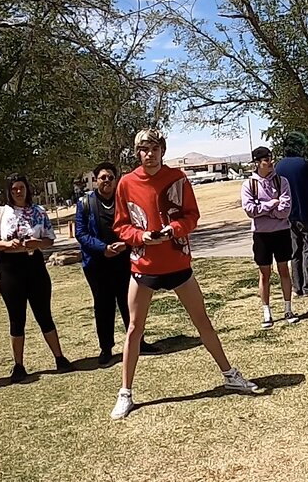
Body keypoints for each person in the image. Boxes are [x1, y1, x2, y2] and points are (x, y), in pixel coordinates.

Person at [110, 129, 262, 420]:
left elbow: (191, 216)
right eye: (144, 149)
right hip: (143, 267)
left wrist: (173, 230)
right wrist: (142, 237)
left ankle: (230, 375)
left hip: (178, 263)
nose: (150, 154)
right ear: (137, 153)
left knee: (202, 320)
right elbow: (121, 226)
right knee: (134, 329)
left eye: (154, 148)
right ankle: (125, 393)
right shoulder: (126, 183)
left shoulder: (177, 178)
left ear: (162, 150)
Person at [0, 173, 71, 383]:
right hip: (10, 269)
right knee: (17, 318)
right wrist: (7, 245)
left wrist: (37, 243)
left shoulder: (39, 212)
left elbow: (50, 240)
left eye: (21, 187)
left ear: (27, 189)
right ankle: (19, 365)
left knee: (44, 314)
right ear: (9, 191)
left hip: (34, 266)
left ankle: (60, 358)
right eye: (14, 189)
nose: (18, 192)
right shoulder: (1, 213)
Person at [76, 162, 158, 366]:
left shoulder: (124, 200)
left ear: (116, 180)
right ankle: (106, 348)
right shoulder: (85, 203)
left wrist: (127, 243)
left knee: (129, 303)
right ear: (96, 180)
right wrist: (103, 248)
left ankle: (139, 342)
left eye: (111, 177)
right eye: (103, 177)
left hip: (124, 261)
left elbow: (134, 225)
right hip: (97, 264)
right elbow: (81, 233)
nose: (107, 181)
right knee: (103, 305)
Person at [241, 146, 298, 328]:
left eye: (271, 158)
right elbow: (250, 210)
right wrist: (272, 204)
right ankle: (267, 312)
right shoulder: (249, 185)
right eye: (266, 160)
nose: (270, 162)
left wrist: (265, 210)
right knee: (264, 274)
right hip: (261, 235)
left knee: (284, 270)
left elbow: (285, 210)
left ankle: (288, 308)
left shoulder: (282, 182)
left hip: (281, 232)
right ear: (257, 163)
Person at [275, 144, 308, 296]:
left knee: (295, 251)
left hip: (289, 215)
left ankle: (298, 286)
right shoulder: (306, 164)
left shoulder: (279, 167)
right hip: (307, 213)